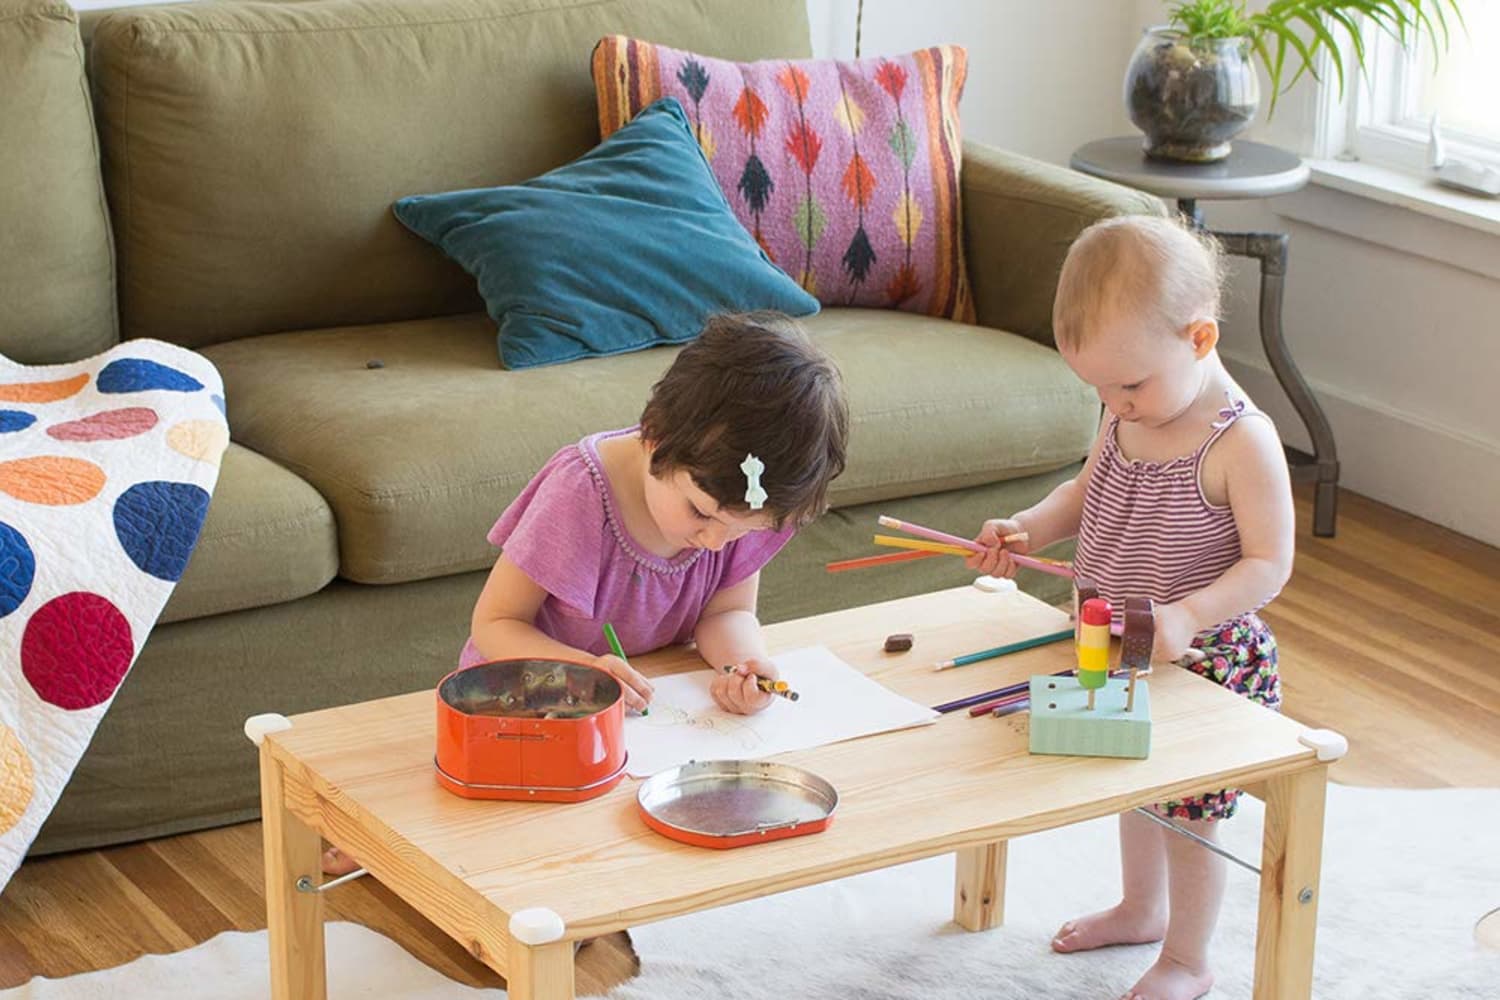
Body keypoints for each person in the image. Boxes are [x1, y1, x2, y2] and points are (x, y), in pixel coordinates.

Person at [967, 215, 1294, 1000]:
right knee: (1134, 789)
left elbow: (1269, 563)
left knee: (1189, 815)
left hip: (1206, 658)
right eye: (1099, 389)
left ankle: (1189, 957)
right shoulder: (1128, 408)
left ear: (1199, 338)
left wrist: (1189, 612)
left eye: (1130, 385)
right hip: (1117, 638)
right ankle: (1140, 908)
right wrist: (1029, 527)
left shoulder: (1240, 442)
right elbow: (1085, 492)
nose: (1115, 403)